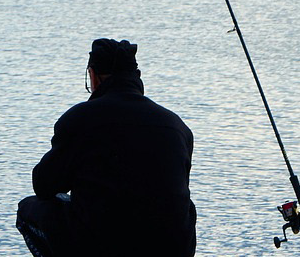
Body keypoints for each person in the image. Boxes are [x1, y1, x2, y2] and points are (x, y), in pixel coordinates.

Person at [17, 38, 196, 256]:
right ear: (136, 76)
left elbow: (43, 185)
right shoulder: (177, 127)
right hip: (172, 247)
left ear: (93, 76)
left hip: (101, 245)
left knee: (29, 209)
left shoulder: (80, 119)